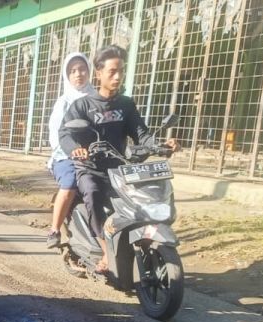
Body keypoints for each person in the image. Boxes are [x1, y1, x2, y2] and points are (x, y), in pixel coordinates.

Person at [58, 46, 177, 273]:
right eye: (112, 71)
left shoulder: (126, 104)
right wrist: (76, 149)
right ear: (99, 74)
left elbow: (141, 133)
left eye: (120, 71)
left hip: (121, 169)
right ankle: (105, 250)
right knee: (92, 193)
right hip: (91, 168)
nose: (117, 76)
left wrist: (160, 145)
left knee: (141, 201)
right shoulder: (82, 105)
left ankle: (135, 243)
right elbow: (65, 133)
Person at [44, 51, 91, 249]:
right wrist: (71, 150)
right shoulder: (64, 102)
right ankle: (54, 230)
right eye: (73, 71)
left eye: (82, 69)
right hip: (66, 156)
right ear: (67, 76)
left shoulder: (99, 99)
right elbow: (56, 134)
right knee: (71, 182)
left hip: (95, 154)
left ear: (89, 71)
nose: (78, 74)